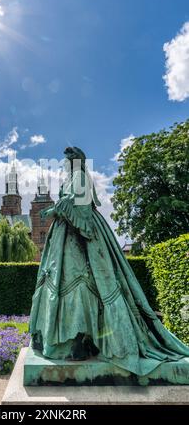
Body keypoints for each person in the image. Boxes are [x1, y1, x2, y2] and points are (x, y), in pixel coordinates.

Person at [29, 146, 189, 378]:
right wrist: (55, 209)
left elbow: (80, 210)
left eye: (68, 161)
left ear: (76, 162)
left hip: (81, 238)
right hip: (65, 237)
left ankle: (82, 341)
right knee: (66, 283)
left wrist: (56, 209)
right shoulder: (74, 177)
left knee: (82, 283)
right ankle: (71, 342)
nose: (65, 165)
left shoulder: (81, 177)